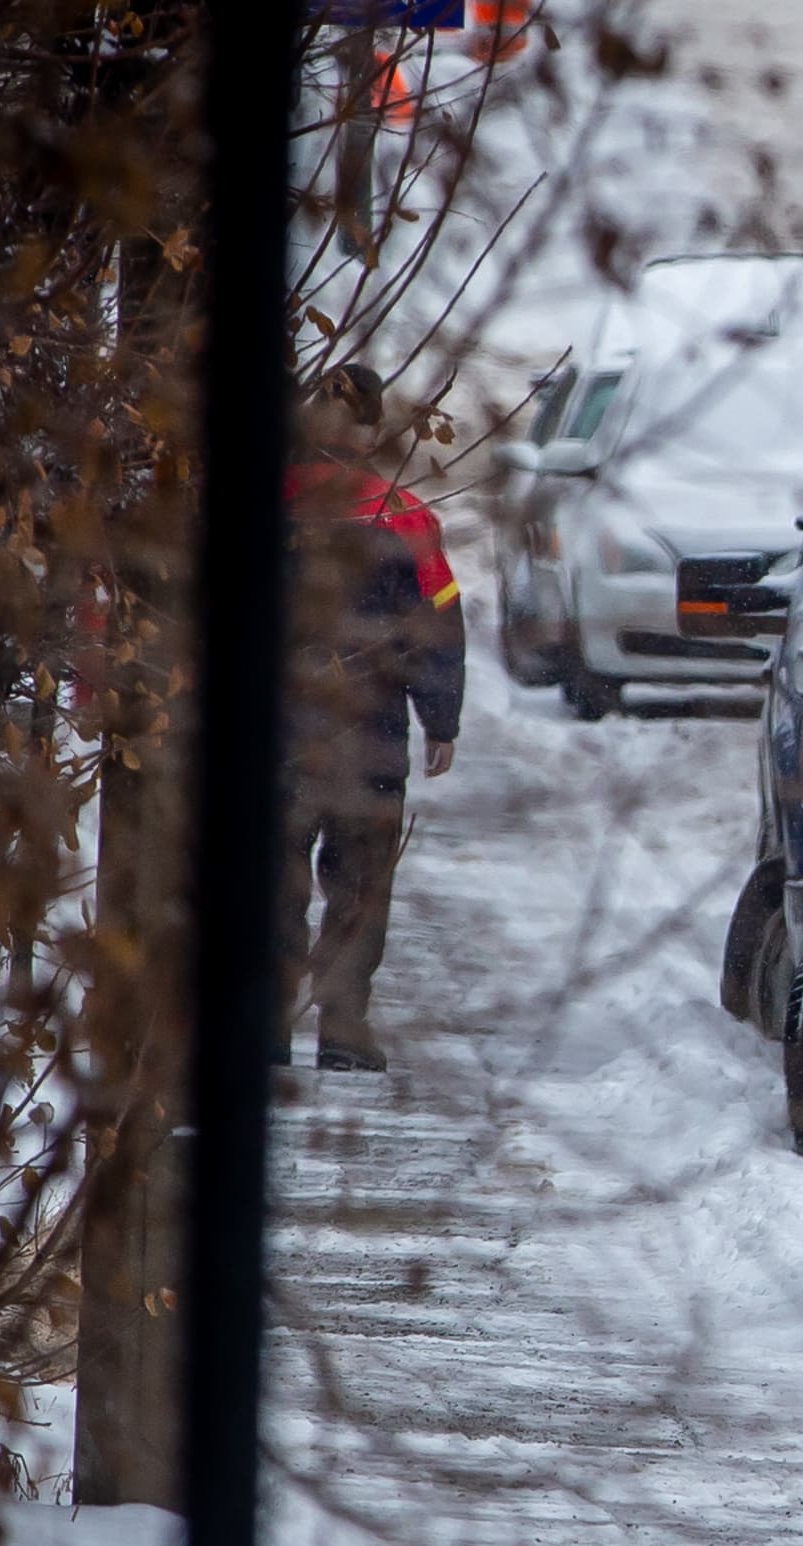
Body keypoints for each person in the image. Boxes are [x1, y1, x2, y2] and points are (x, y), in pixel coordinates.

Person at [282, 363, 463, 1071]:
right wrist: (440, 716)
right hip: (369, 730)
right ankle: (343, 1025)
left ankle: (263, 1022)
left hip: (274, 730)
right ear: (371, 429)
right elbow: (438, 622)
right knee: (359, 880)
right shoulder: (404, 515)